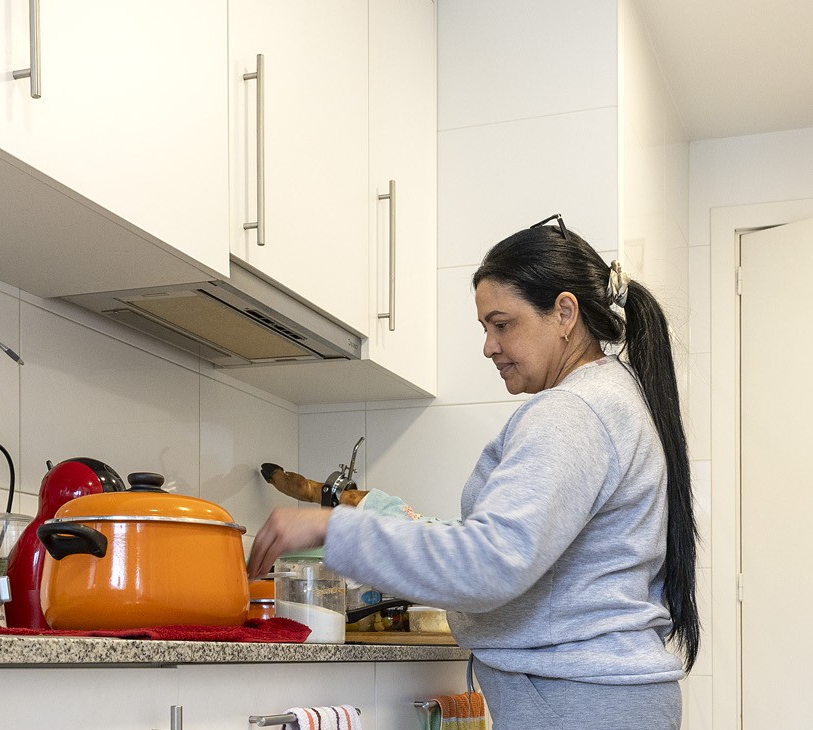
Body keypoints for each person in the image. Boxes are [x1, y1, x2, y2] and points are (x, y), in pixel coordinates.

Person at [247, 215, 698, 728]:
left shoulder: (573, 411)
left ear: (564, 313)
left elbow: (490, 562)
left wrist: (334, 527)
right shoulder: (611, 398)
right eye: (485, 327)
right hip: (597, 699)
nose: (489, 346)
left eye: (502, 324)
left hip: (577, 701)